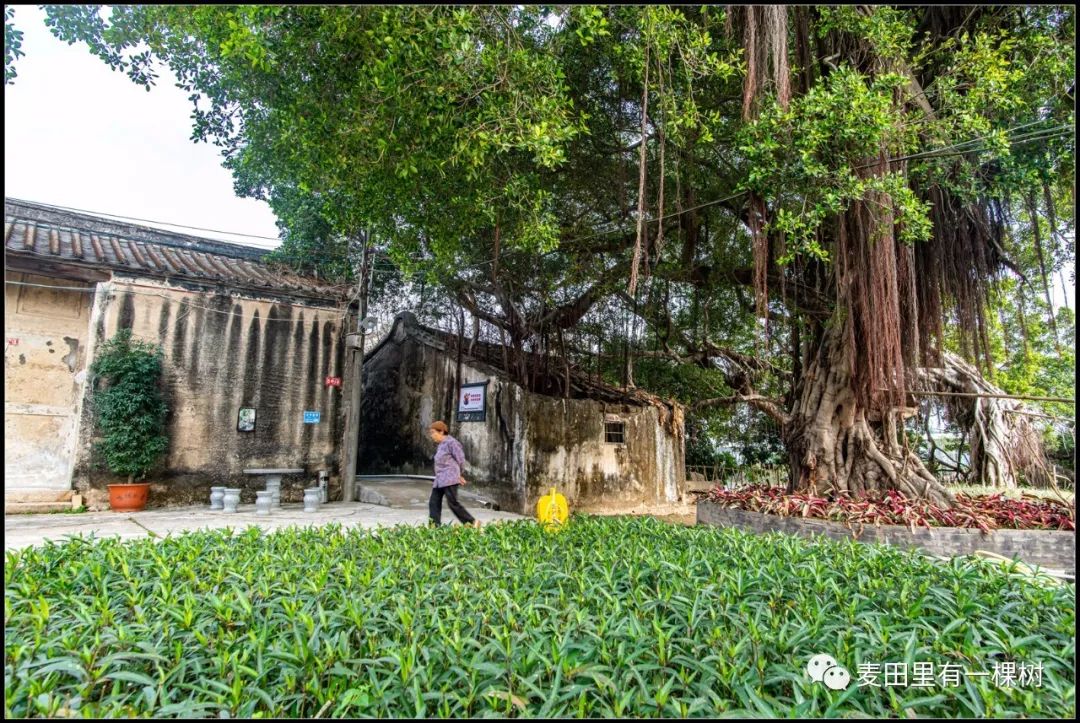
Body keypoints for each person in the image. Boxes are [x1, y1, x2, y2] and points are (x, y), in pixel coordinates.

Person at [427, 420, 481, 528]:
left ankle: (472, 522)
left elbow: (461, 460)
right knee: (433, 502)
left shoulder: (452, 443)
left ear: (442, 431)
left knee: (453, 503)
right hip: (440, 480)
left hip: (450, 478)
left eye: (433, 432)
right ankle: (434, 527)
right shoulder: (441, 445)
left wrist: (459, 474)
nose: (432, 435)